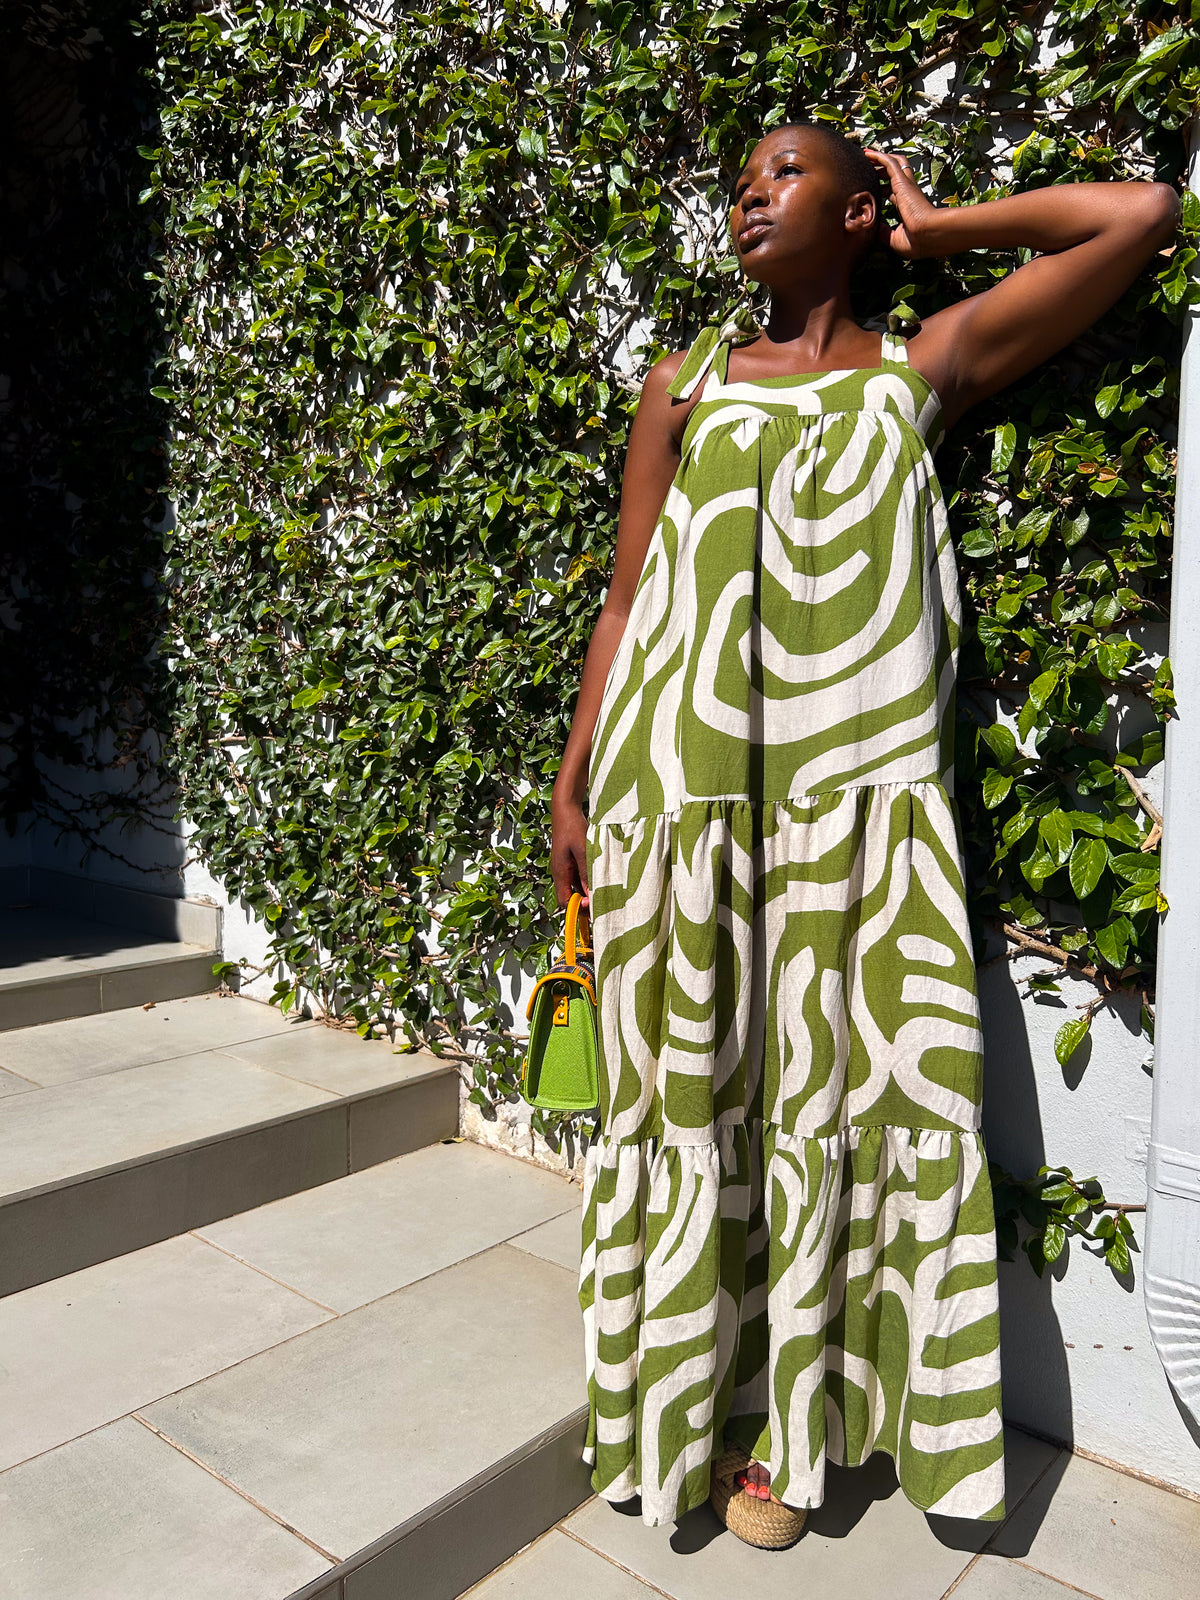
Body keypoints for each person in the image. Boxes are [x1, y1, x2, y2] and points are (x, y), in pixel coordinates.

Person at [550, 119, 1180, 1548]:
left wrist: (940, 228)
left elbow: (1135, 218)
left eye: (781, 174)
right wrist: (576, 778)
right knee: (693, 1106)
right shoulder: (686, 385)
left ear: (851, 206)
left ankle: (799, 1434)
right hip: (682, 804)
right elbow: (629, 592)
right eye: (737, 184)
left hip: (859, 813)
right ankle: (683, 1408)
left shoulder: (920, 371)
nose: (746, 199)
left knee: (847, 1104)